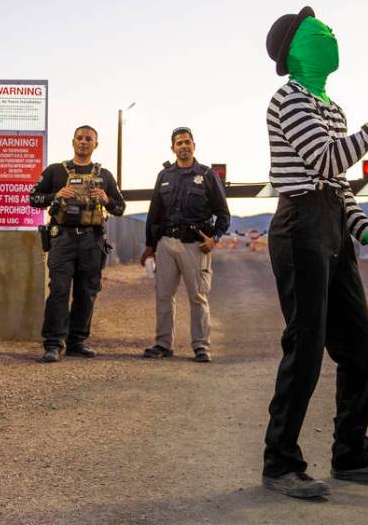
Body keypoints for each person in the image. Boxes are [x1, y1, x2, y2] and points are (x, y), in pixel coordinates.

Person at [259, 7, 368, 498]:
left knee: (359, 345)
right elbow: (329, 158)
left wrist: (367, 231)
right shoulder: (287, 99)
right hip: (298, 229)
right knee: (307, 346)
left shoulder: (331, 107)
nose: (330, 35)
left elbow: (338, 182)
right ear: (294, 50)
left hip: (330, 222)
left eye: (330, 30)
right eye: (319, 32)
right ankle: (280, 462)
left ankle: (352, 455)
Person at [29, 125, 125, 362]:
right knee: (59, 290)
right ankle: (53, 343)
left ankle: (77, 341)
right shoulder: (55, 171)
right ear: (73, 142)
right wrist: (56, 195)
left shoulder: (105, 176)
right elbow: (33, 199)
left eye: (89, 139)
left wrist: (106, 198)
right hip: (63, 238)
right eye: (80, 138)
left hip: (92, 240)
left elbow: (120, 208)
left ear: (95, 144)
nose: (84, 142)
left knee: (87, 292)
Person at [139, 127, 230, 362]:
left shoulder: (207, 175)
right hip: (166, 243)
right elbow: (153, 213)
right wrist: (150, 246)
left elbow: (223, 214)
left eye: (187, 142)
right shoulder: (165, 176)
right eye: (179, 143)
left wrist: (215, 239)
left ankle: (201, 346)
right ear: (173, 148)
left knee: (198, 296)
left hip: (194, 246)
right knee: (163, 295)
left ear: (194, 145)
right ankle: (163, 344)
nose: (183, 146)